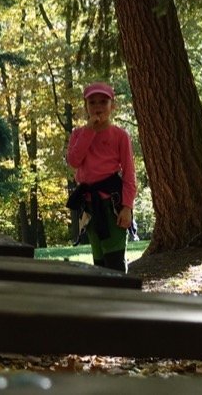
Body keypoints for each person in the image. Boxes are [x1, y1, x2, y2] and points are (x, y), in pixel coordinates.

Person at [65, 82, 136, 272]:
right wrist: (89, 131)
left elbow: (129, 173)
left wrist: (127, 207)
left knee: (114, 260)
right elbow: (74, 161)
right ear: (85, 106)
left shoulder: (120, 135)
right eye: (92, 102)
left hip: (112, 204)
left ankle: (119, 290)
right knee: (99, 261)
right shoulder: (78, 134)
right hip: (90, 205)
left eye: (103, 102)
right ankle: (103, 290)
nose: (98, 107)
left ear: (113, 106)